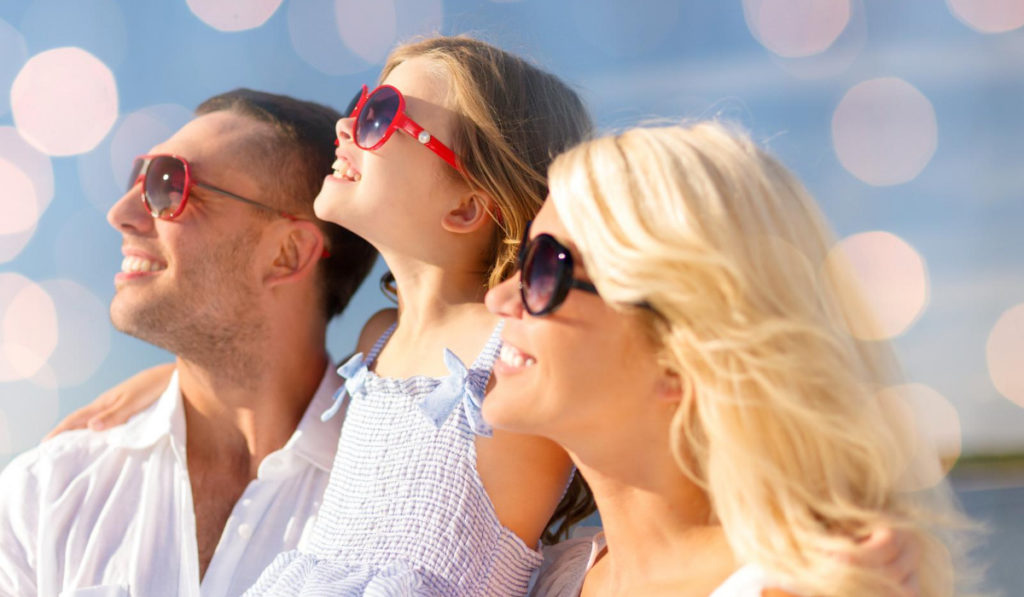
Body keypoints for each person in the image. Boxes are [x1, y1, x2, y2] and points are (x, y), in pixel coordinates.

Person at [483, 122, 978, 596]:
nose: (500, 299)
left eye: (544, 268)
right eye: (521, 258)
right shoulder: (535, 578)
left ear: (681, 351)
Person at [0, 89, 378, 596]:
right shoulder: (48, 491)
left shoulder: (391, 499)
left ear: (288, 253)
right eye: (139, 176)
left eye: (167, 184)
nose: (120, 212)